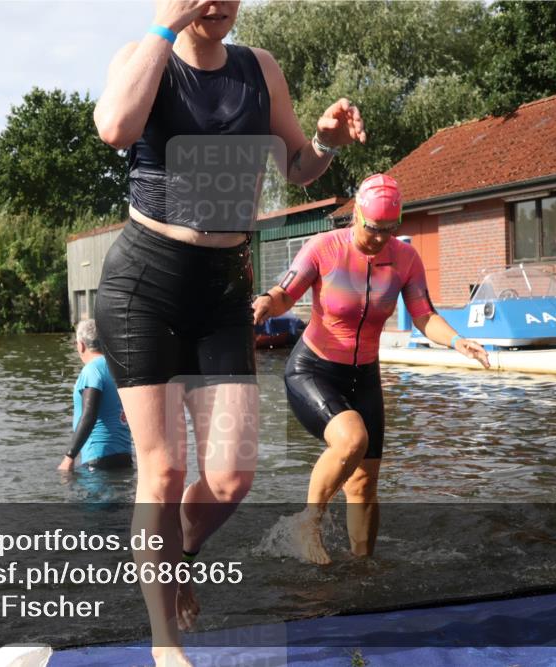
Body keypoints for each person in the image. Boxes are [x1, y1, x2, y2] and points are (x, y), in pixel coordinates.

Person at [92, 2, 366, 662]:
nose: (216, 4)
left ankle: (178, 553)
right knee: (162, 467)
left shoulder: (258, 69)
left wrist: (325, 139)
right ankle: (166, 642)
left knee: (233, 474)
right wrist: (166, 27)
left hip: (222, 290)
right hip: (144, 284)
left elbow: (296, 165)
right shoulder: (142, 57)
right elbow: (114, 127)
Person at [253, 173, 491, 566]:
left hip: (363, 376)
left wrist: (457, 341)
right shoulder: (324, 248)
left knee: (364, 484)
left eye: (390, 229)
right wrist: (265, 303)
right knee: (350, 440)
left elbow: (424, 315)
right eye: (374, 227)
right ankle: (308, 523)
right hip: (313, 370)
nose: (381, 237)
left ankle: (362, 568)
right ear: (357, 215)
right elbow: (284, 293)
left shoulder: (405, 259)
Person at [58, 320, 133, 472]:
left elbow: (88, 416)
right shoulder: (118, 368)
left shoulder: (91, 371)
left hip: (98, 458)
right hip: (124, 455)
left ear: (81, 345)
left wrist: (69, 457)